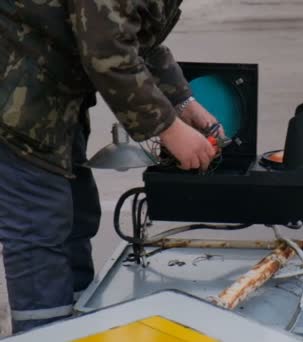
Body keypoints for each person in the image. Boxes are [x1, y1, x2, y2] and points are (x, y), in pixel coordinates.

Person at [0, 0, 219, 333]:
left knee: (77, 213)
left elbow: (133, 34)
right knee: (39, 228)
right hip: (15, 98)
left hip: (50, 91)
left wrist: (181, 101)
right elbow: (107, 52)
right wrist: (169, 129)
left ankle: (74, 325)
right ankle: (44, 333)